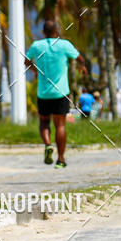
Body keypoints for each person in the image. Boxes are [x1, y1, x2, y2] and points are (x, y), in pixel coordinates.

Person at [25, 20, 87, 168]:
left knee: (44, 121)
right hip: (61, 93)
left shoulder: (36, 46)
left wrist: (35, 70)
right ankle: (60, 159)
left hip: (43, 93)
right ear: (57, 30)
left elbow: (26, 61)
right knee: (60, 126)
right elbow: (80, 58)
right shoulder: (64, 45)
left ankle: (47, 145)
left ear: (43, 31)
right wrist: (82, 67)